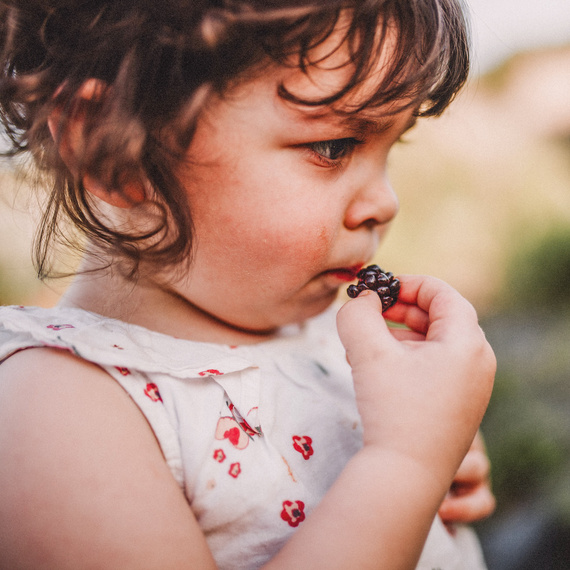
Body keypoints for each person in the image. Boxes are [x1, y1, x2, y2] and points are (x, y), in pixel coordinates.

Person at [0, 1, 496, 568]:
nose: (386, 202)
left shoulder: (324, 337)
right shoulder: (57, 415)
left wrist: (438, 455)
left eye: (394, 144)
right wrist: (407, 465)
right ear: (112, 149)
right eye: (333, 146)